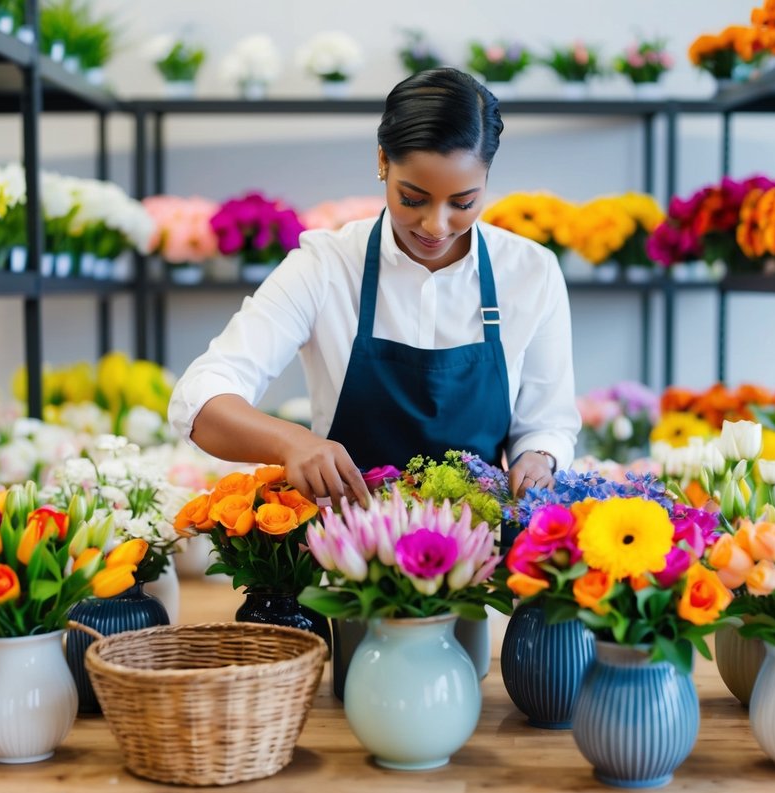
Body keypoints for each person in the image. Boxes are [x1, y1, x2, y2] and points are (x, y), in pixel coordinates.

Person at [168, 67, 580, 506]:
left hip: (476, 546)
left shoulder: (531, 272)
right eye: (413, 198)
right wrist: (292, 442)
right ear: (383, 161)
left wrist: (539, 456)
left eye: (463, 203)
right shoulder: (324, 266)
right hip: (346, 546)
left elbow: (547, 423)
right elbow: (199, 398)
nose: (436, 226)